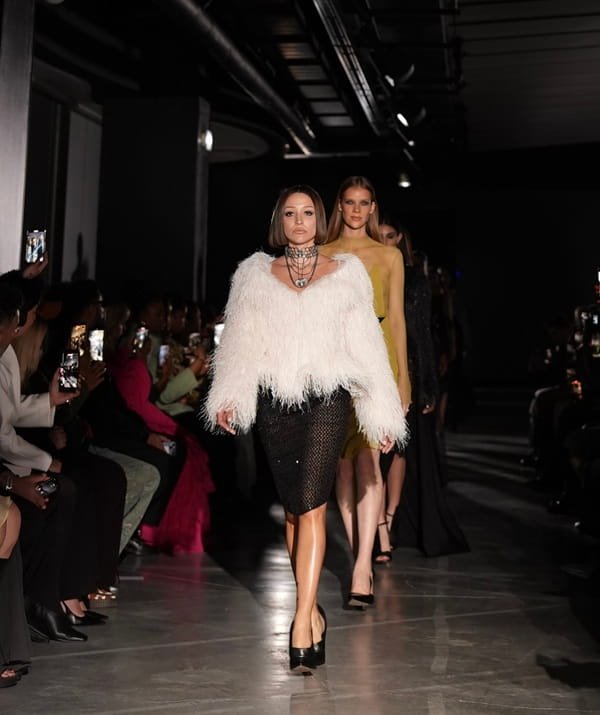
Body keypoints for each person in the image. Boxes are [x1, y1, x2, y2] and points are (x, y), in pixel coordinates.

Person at [204, 185, 407, 673]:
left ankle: (300, 619)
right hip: (275, 404)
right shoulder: (253, 275)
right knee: (295, 511)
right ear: (279, 220)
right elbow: (239, 343)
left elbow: (366, 345)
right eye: (291, 213)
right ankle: (312, 609)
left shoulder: (346, 274)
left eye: (308, 212)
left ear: (319, 219)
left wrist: (382, 412)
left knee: (313, 505)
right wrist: (229, 395)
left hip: (328, 400)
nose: (299, 221)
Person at [319, 176, 410, 604]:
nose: (356, 210)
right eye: (350, 202)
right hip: (334, 363)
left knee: (370, 461)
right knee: (341, 466)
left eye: (364, 203)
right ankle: (360, 550)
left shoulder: (389, 255)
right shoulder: (323, 252)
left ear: (373, 208)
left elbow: (397, 318)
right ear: (340, 205)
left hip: (377, 363)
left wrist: (403, 378)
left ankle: (361, 569)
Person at [377, 218, 469, 558]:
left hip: (408, 371)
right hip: (373, 370)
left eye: (390, 236)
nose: (385, 241)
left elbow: (422, 333)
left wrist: (429, 382)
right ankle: (379, 527)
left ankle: (389, 519)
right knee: (376, 456)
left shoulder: (414, 279)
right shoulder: (365, 272)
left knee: (400, 449)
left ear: (400, 238)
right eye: (379, 236)